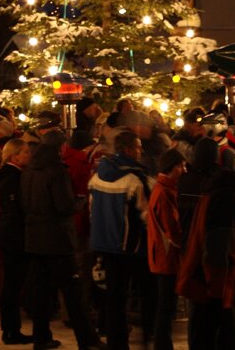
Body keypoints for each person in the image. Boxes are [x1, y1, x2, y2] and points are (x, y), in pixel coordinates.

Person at [21, 133, 100, 350]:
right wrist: (80, 203)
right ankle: (87, 340)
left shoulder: (29, 170)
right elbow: (63, 206)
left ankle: (41, 337)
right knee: (73, 293)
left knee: (41, 293)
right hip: (57, 239)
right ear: (61, 147)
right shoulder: (56, 171)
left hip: (35, 238)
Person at [177, 152, 235, 350]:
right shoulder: (226, 199)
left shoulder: (224, 194)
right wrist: (217, 294)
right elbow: (217, 249)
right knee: (215, 338)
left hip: (215, 284)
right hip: (212, 286)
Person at [88, 131, 154, 350]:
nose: (140, 151)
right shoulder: (134, 179)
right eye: (137, 146)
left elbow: (91, 209)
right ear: (127, 149)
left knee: (114, 296)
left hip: (104, 244)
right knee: (147, 292)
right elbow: (146, 216)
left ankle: (117, 343)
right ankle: (149, 337)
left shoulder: (97, 176)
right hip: (131, 247)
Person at [0, 139, 35, 345]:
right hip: (14, 236)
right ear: (14, 156)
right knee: (12, 284)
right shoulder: (12, 178)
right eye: (26, 151)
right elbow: (13, 209)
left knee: (12, 283)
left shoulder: (9, 176)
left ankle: (11, 328)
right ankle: (11, 330)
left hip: (10, 234)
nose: (29, 154)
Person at [147, 149, 187, 350]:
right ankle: (163, 345)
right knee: (166, 306)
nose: (184, 169)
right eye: (181, 166)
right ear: (172, 167)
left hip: (162, 254)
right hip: (166, 256)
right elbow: (172, 228)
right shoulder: (164, 192)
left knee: (165, 304)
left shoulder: (162, 188)